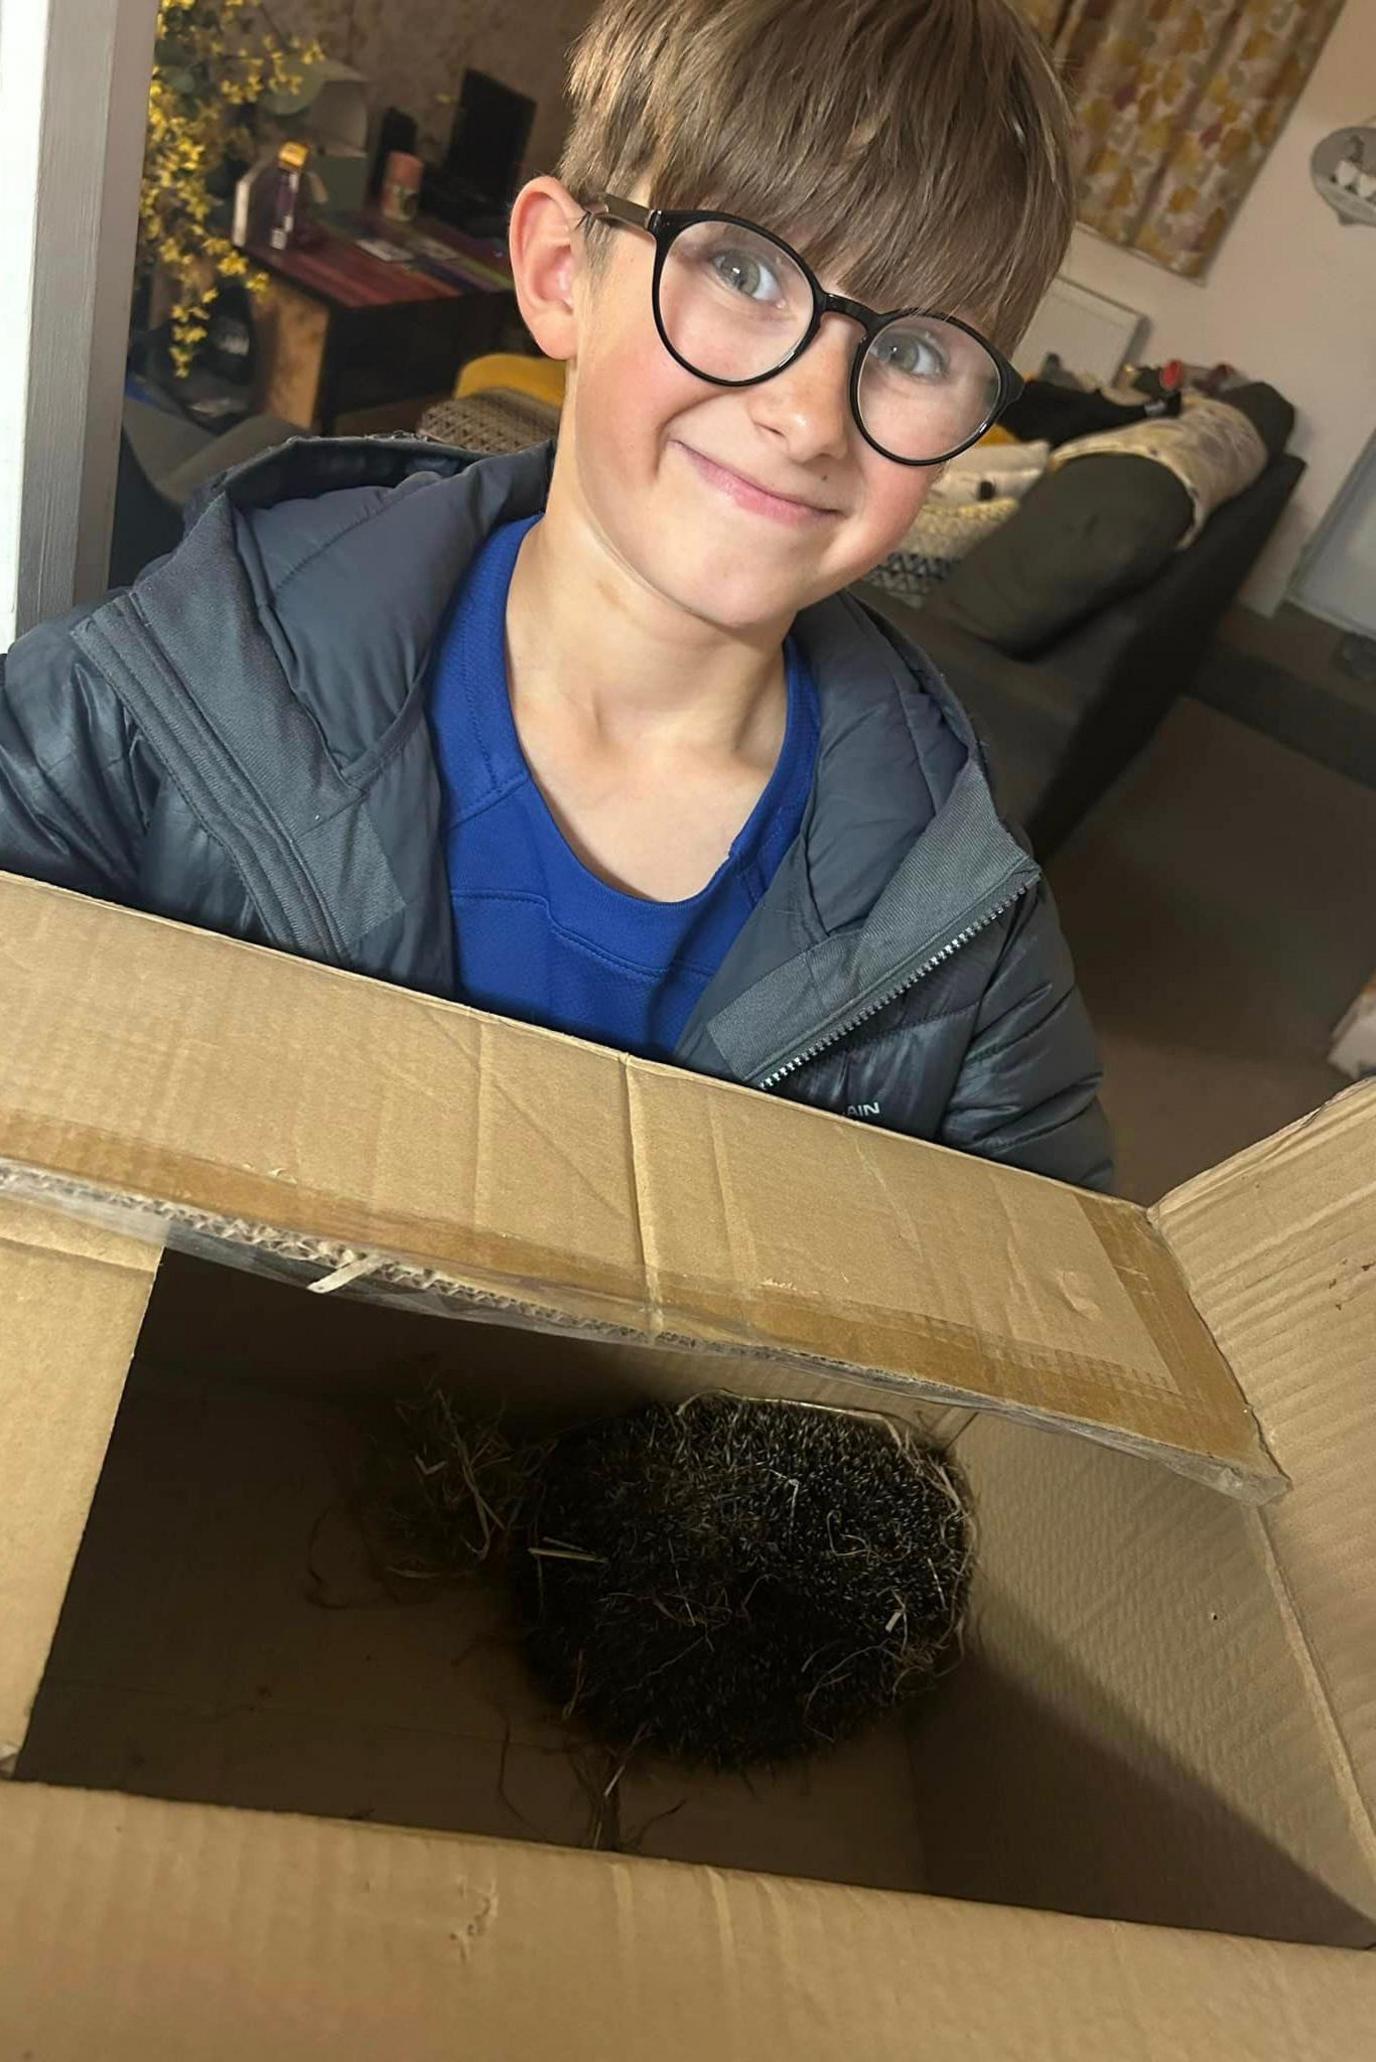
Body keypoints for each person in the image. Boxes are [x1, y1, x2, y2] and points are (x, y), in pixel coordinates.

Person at [0, 0, 1111, 1191]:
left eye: (912, 353)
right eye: (740, 268)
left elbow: (1047, 1294)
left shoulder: (961, 925)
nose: (807, 416)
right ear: (556, 273)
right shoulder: (176, 684)